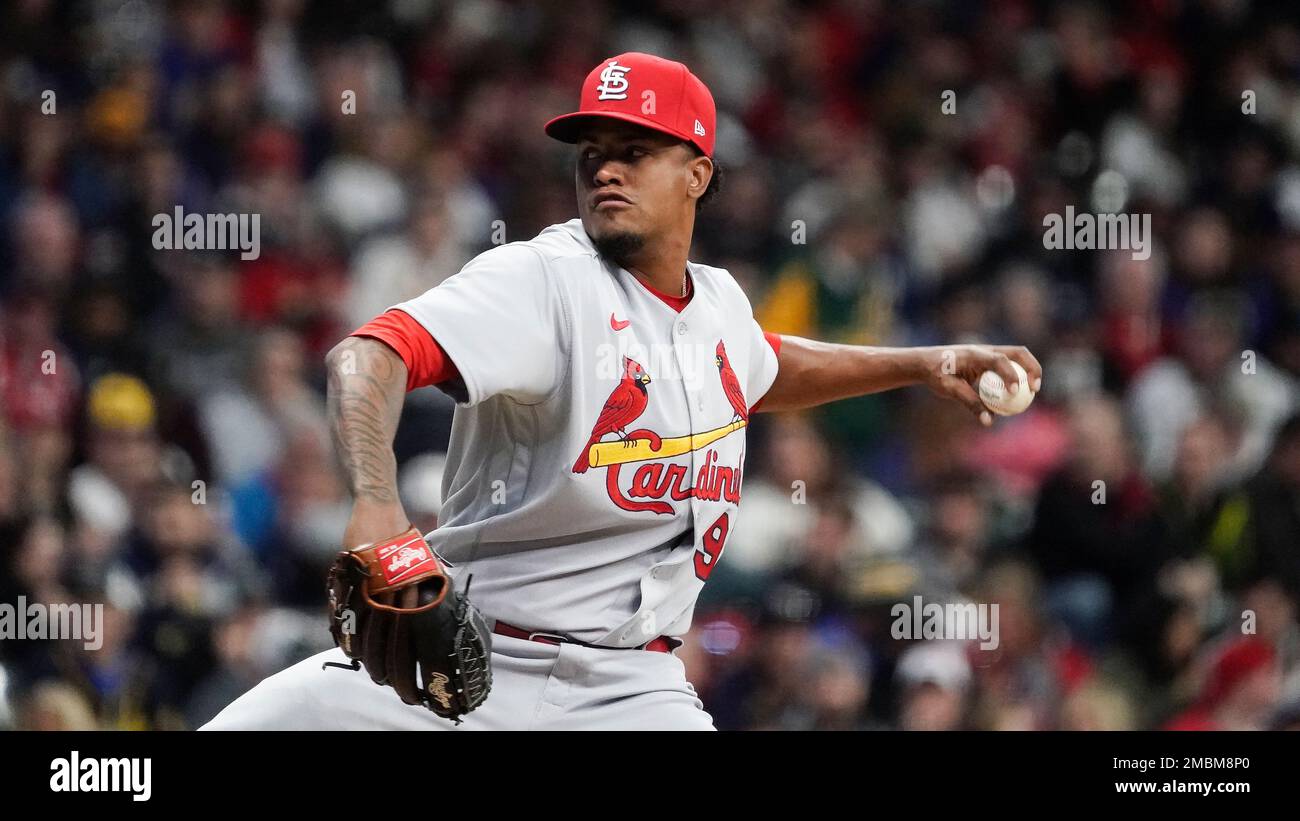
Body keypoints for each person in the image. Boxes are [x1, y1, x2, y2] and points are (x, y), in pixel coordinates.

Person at [203, 52, 1040, 731]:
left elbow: (762, 364)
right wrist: (378, 505)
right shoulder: (541, 279)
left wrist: (922, 362)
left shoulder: (717, 305)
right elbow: (370, 353)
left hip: (631, 693)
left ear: (698, 175)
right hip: (455, 670)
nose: (606, 168)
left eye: (635, 150)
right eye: (592, 152)